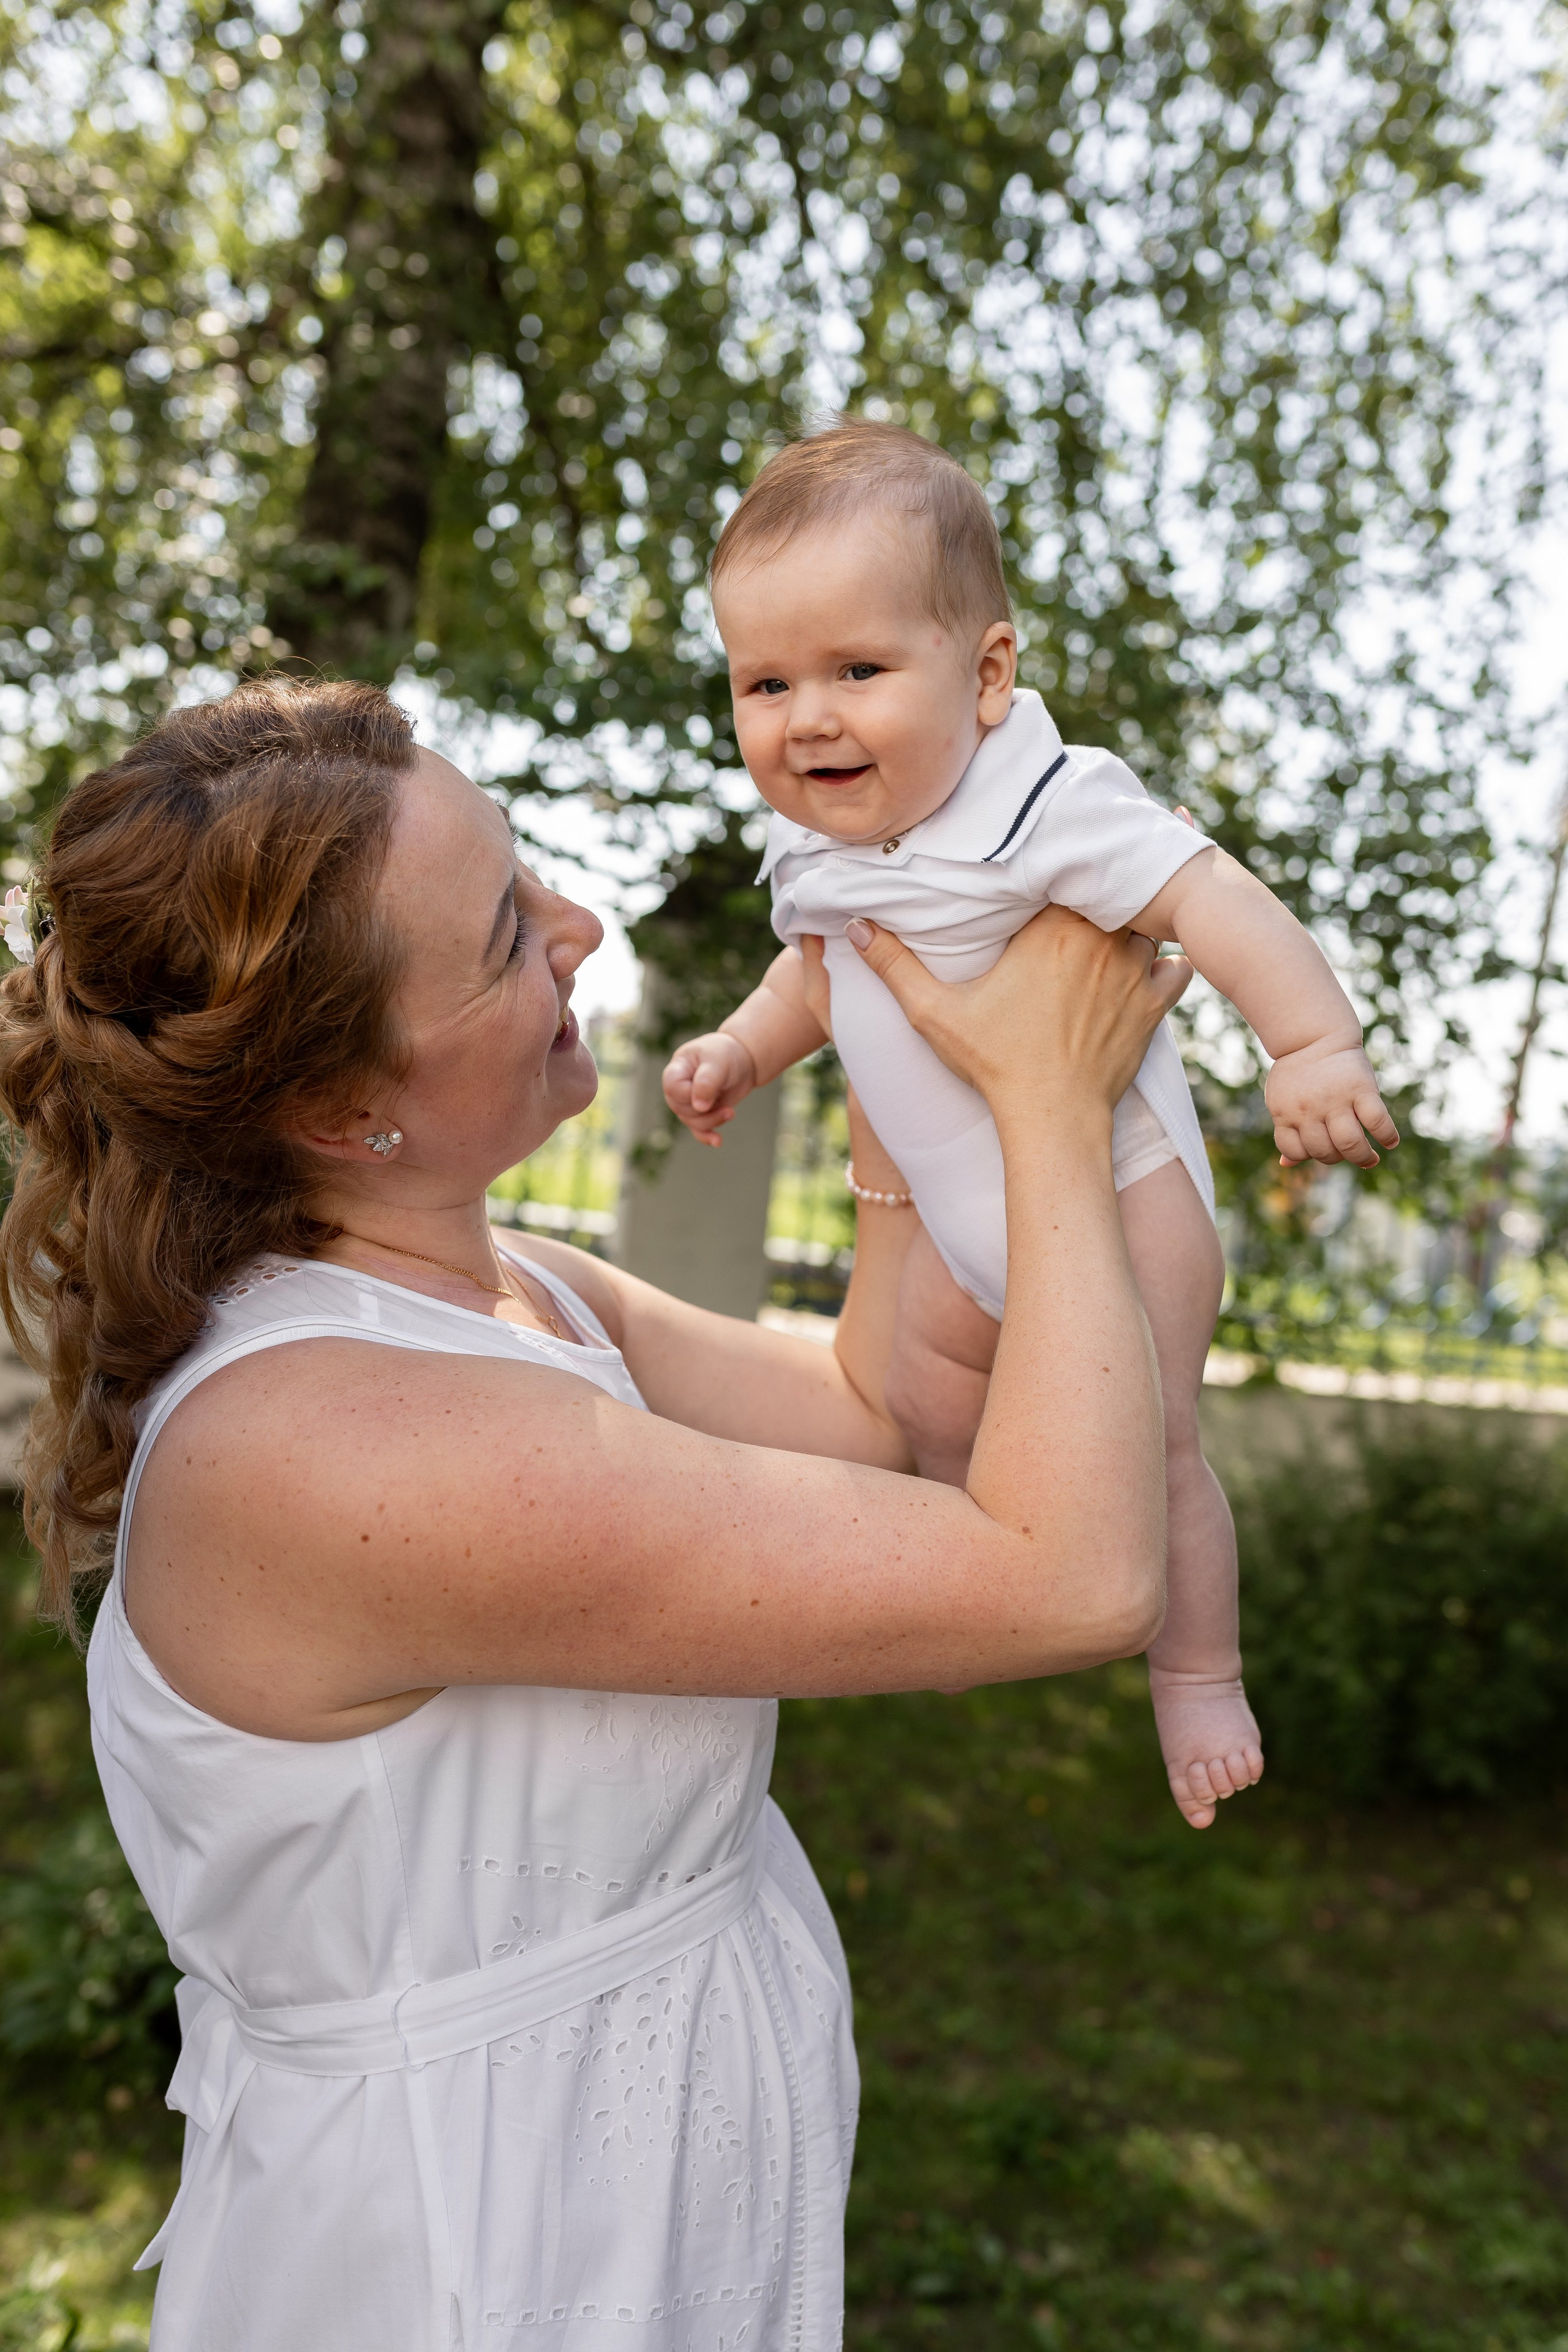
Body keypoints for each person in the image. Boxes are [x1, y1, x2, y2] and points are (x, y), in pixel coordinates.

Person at [0, 677, 1183, 2352]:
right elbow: (1072, 1577)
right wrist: (1053, 1108)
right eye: (503, 933)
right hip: (480, 2254)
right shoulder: (344, 1445)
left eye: (527, 866)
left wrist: (911, 1063)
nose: (583, 920)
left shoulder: (514, 1289)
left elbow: (885, 1423)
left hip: (628, 2176)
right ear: (348, 1112)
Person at [662, 418, 1401, 1831]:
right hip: (958, 1225)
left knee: (1157, 1440)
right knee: (937, 1411)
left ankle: (1194, 1669)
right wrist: (741, 1050)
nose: (806, 716)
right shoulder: (817, 846)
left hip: (1120, 1200)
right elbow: (812, 974)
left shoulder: (1048, 803)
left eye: (857, 671)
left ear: (986, 674)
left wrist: (1310, 1046)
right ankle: (967, 1597)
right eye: (765, 682)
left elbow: (1210, 897)